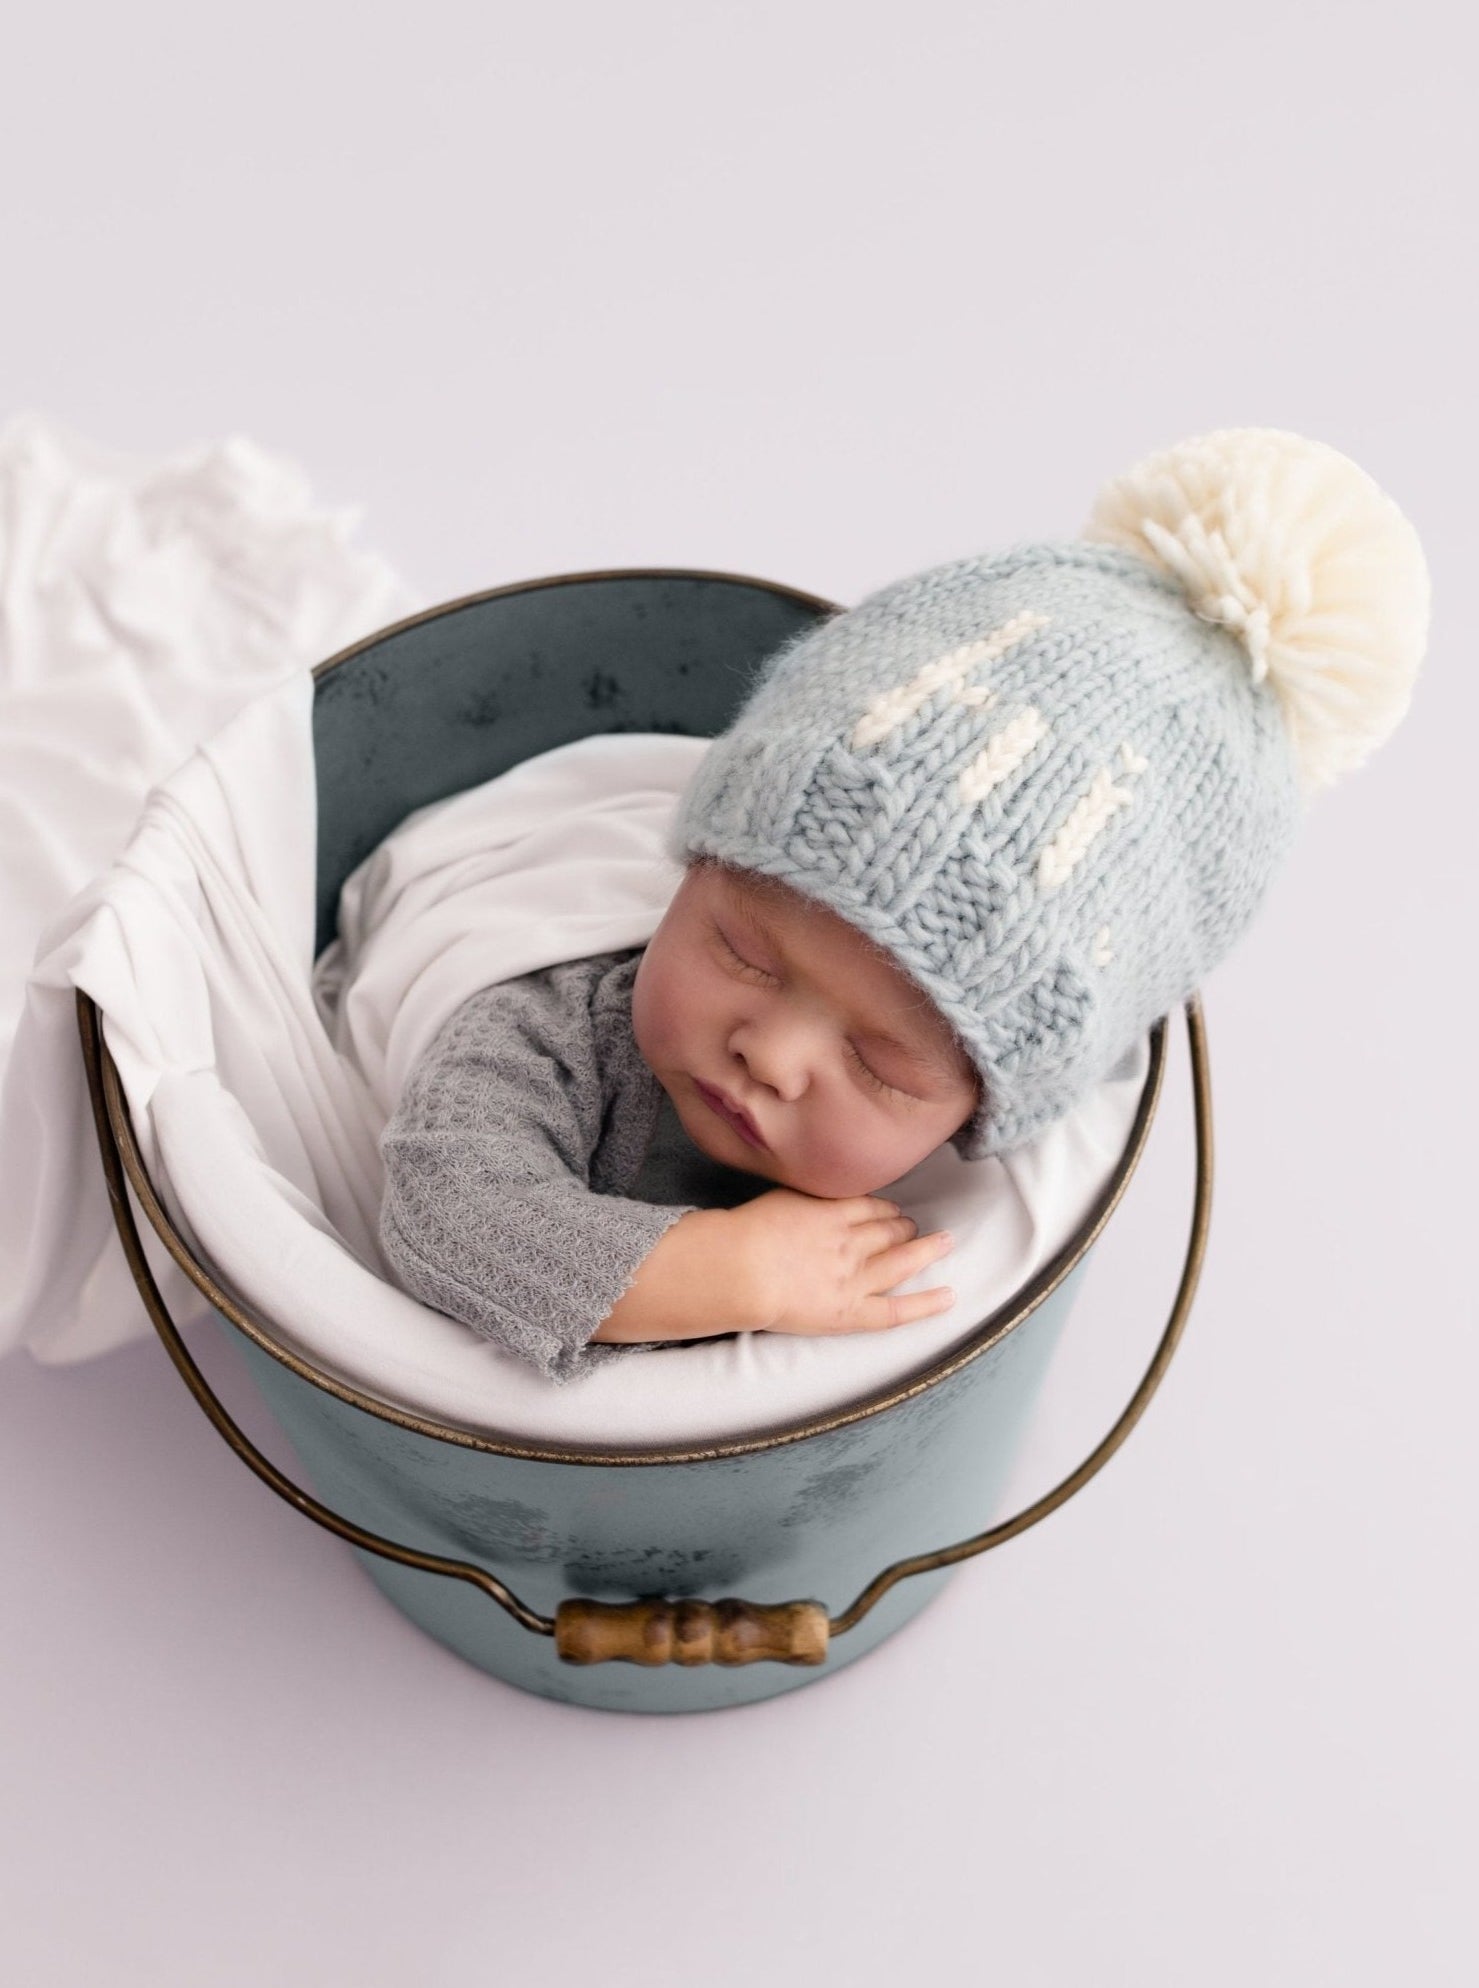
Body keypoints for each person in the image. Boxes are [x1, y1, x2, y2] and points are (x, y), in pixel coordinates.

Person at [377, 427, 1430, 1384]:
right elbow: (444, 1208)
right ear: (692, 870)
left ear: (979, 1110)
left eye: (882, 1063)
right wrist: (730, 1267)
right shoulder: (555, 1030)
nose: (773, 1054)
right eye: (740, 948)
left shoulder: (963, 1191)